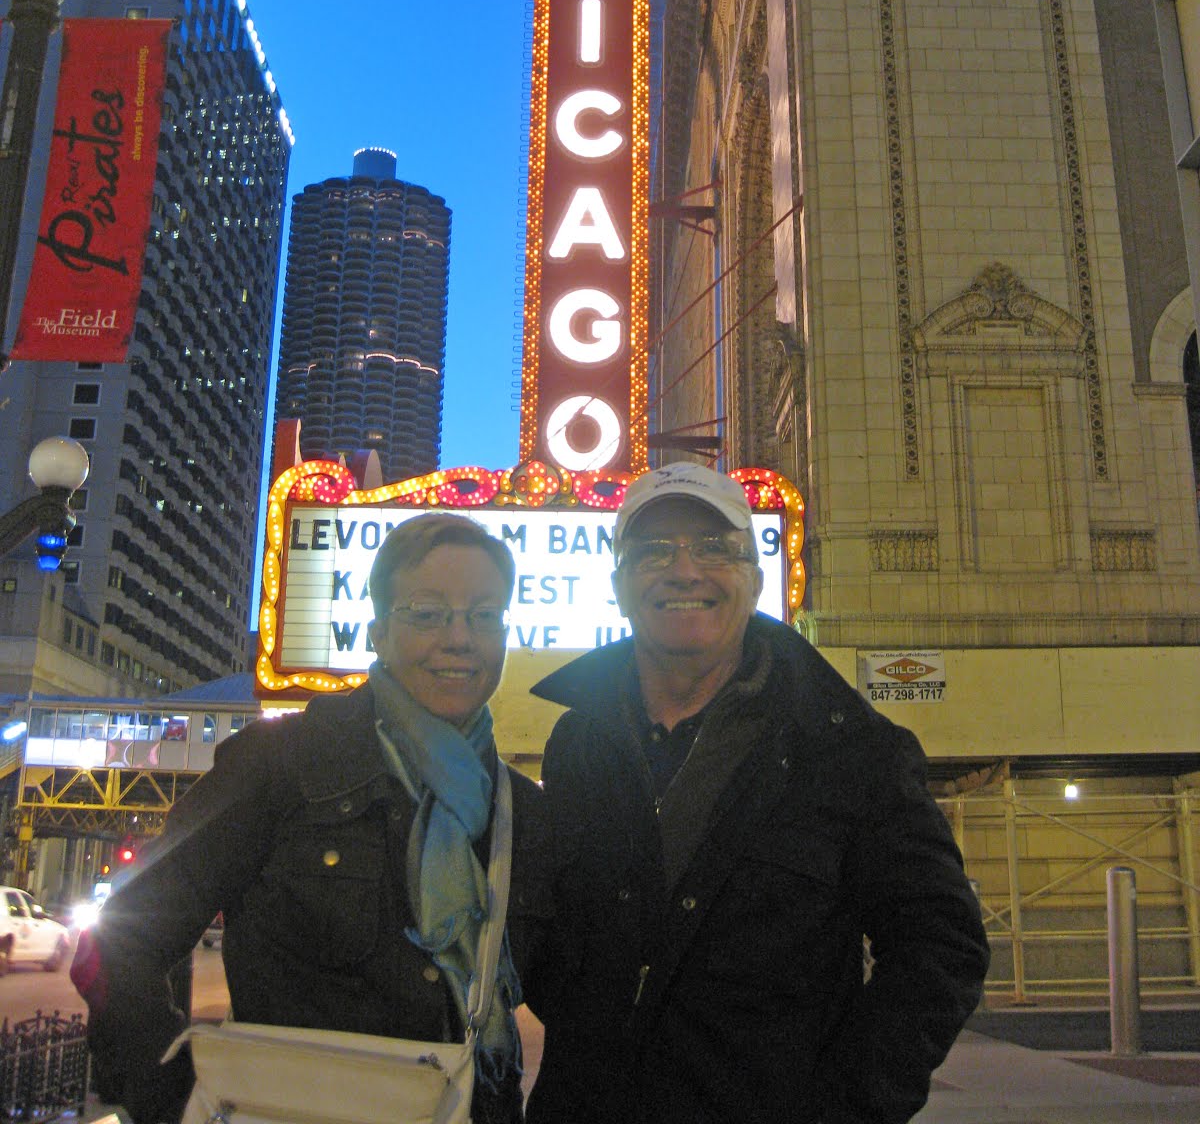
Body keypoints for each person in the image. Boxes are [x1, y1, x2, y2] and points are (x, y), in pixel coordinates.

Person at [524, 463, 990, 1124]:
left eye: (716, 548)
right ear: (620, 584)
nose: (684, 570)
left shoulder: (850, 747)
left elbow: (941, 946)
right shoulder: (578, 743)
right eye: (653, 551)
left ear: (757, 576)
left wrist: (846, 1107)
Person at [71, 512, 545, 1124]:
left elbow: (588, 1003)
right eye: (427, 613)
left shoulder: (522, 812)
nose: (460, 637)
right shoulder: (279, 766)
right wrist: (173, 1101)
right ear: (377, 632)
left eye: (483, 614)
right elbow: (118, 943)